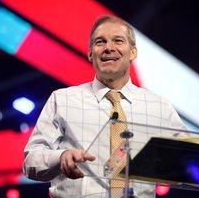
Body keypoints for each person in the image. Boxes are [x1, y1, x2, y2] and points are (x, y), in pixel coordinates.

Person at [23, 15, 187, 198]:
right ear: (91, 54)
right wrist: (61, 158)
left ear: (133, 52)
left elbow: (190, 162)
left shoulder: (160, 107)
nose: (109, 48)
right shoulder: (62, 99)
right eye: (100, 42)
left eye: (118, 40)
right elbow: (30, 162)